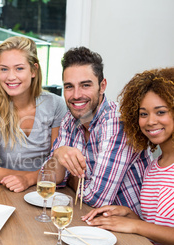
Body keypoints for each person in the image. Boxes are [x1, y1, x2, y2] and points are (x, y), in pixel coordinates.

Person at [42, 46, 152, 215]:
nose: (76, 95)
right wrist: (58, 153)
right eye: (69, 87)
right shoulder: (69, 119)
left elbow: (97, 199)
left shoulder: (116, 122)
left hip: (132, 231)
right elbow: (48, 178)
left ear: (102, 86)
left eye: (85, 85)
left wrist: (70, 179)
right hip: (89, 218)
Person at [82, 67, 174, 245]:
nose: (151, 121)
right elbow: (156, 228)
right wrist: (129, 215)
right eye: (143, 114)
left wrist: (136, 226)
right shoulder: (153, 167)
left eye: (161, 112)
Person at [0, 36, 66, 192]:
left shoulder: (56, 105)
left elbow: (58, 170)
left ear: (33, 70)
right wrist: (41, 175)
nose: (11, 77)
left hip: (44, 192)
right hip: (7, 190)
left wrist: (29, 179)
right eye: (4, 69)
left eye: (19, 68)